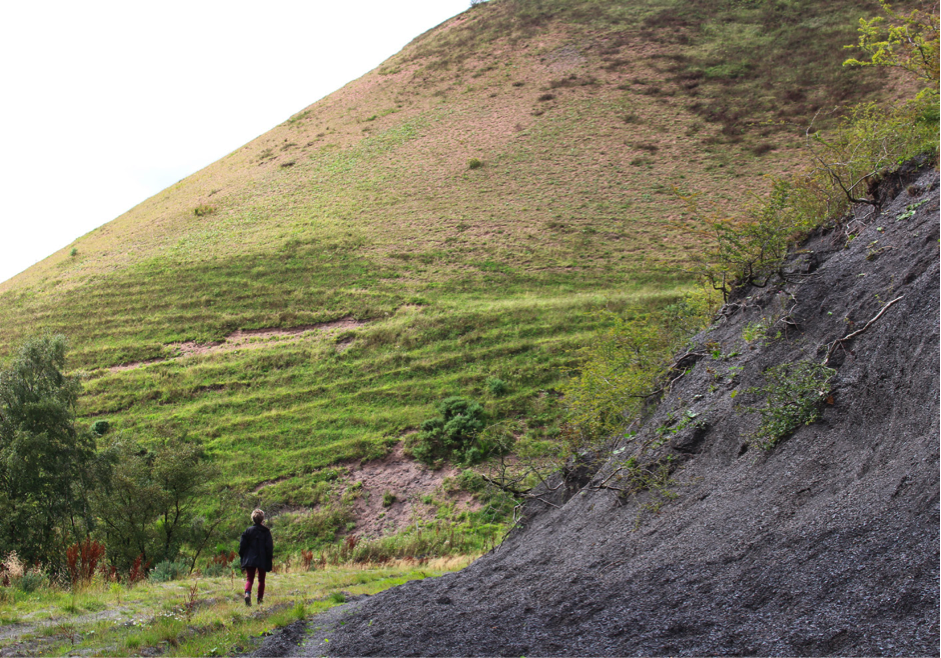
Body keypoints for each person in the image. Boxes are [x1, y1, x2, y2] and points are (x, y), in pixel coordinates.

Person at [239, 509, 273, 606]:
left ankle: (247, 594)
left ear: (253, 519)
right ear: (262, 519)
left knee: (250, 579)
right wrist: (269, 558)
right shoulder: (266, 532)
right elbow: (269, 547)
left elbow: (242, 546)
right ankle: (259, 600)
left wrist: (243, 556)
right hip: (262, 558)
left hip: (250, 559)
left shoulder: (248, 531)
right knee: (261, 580)